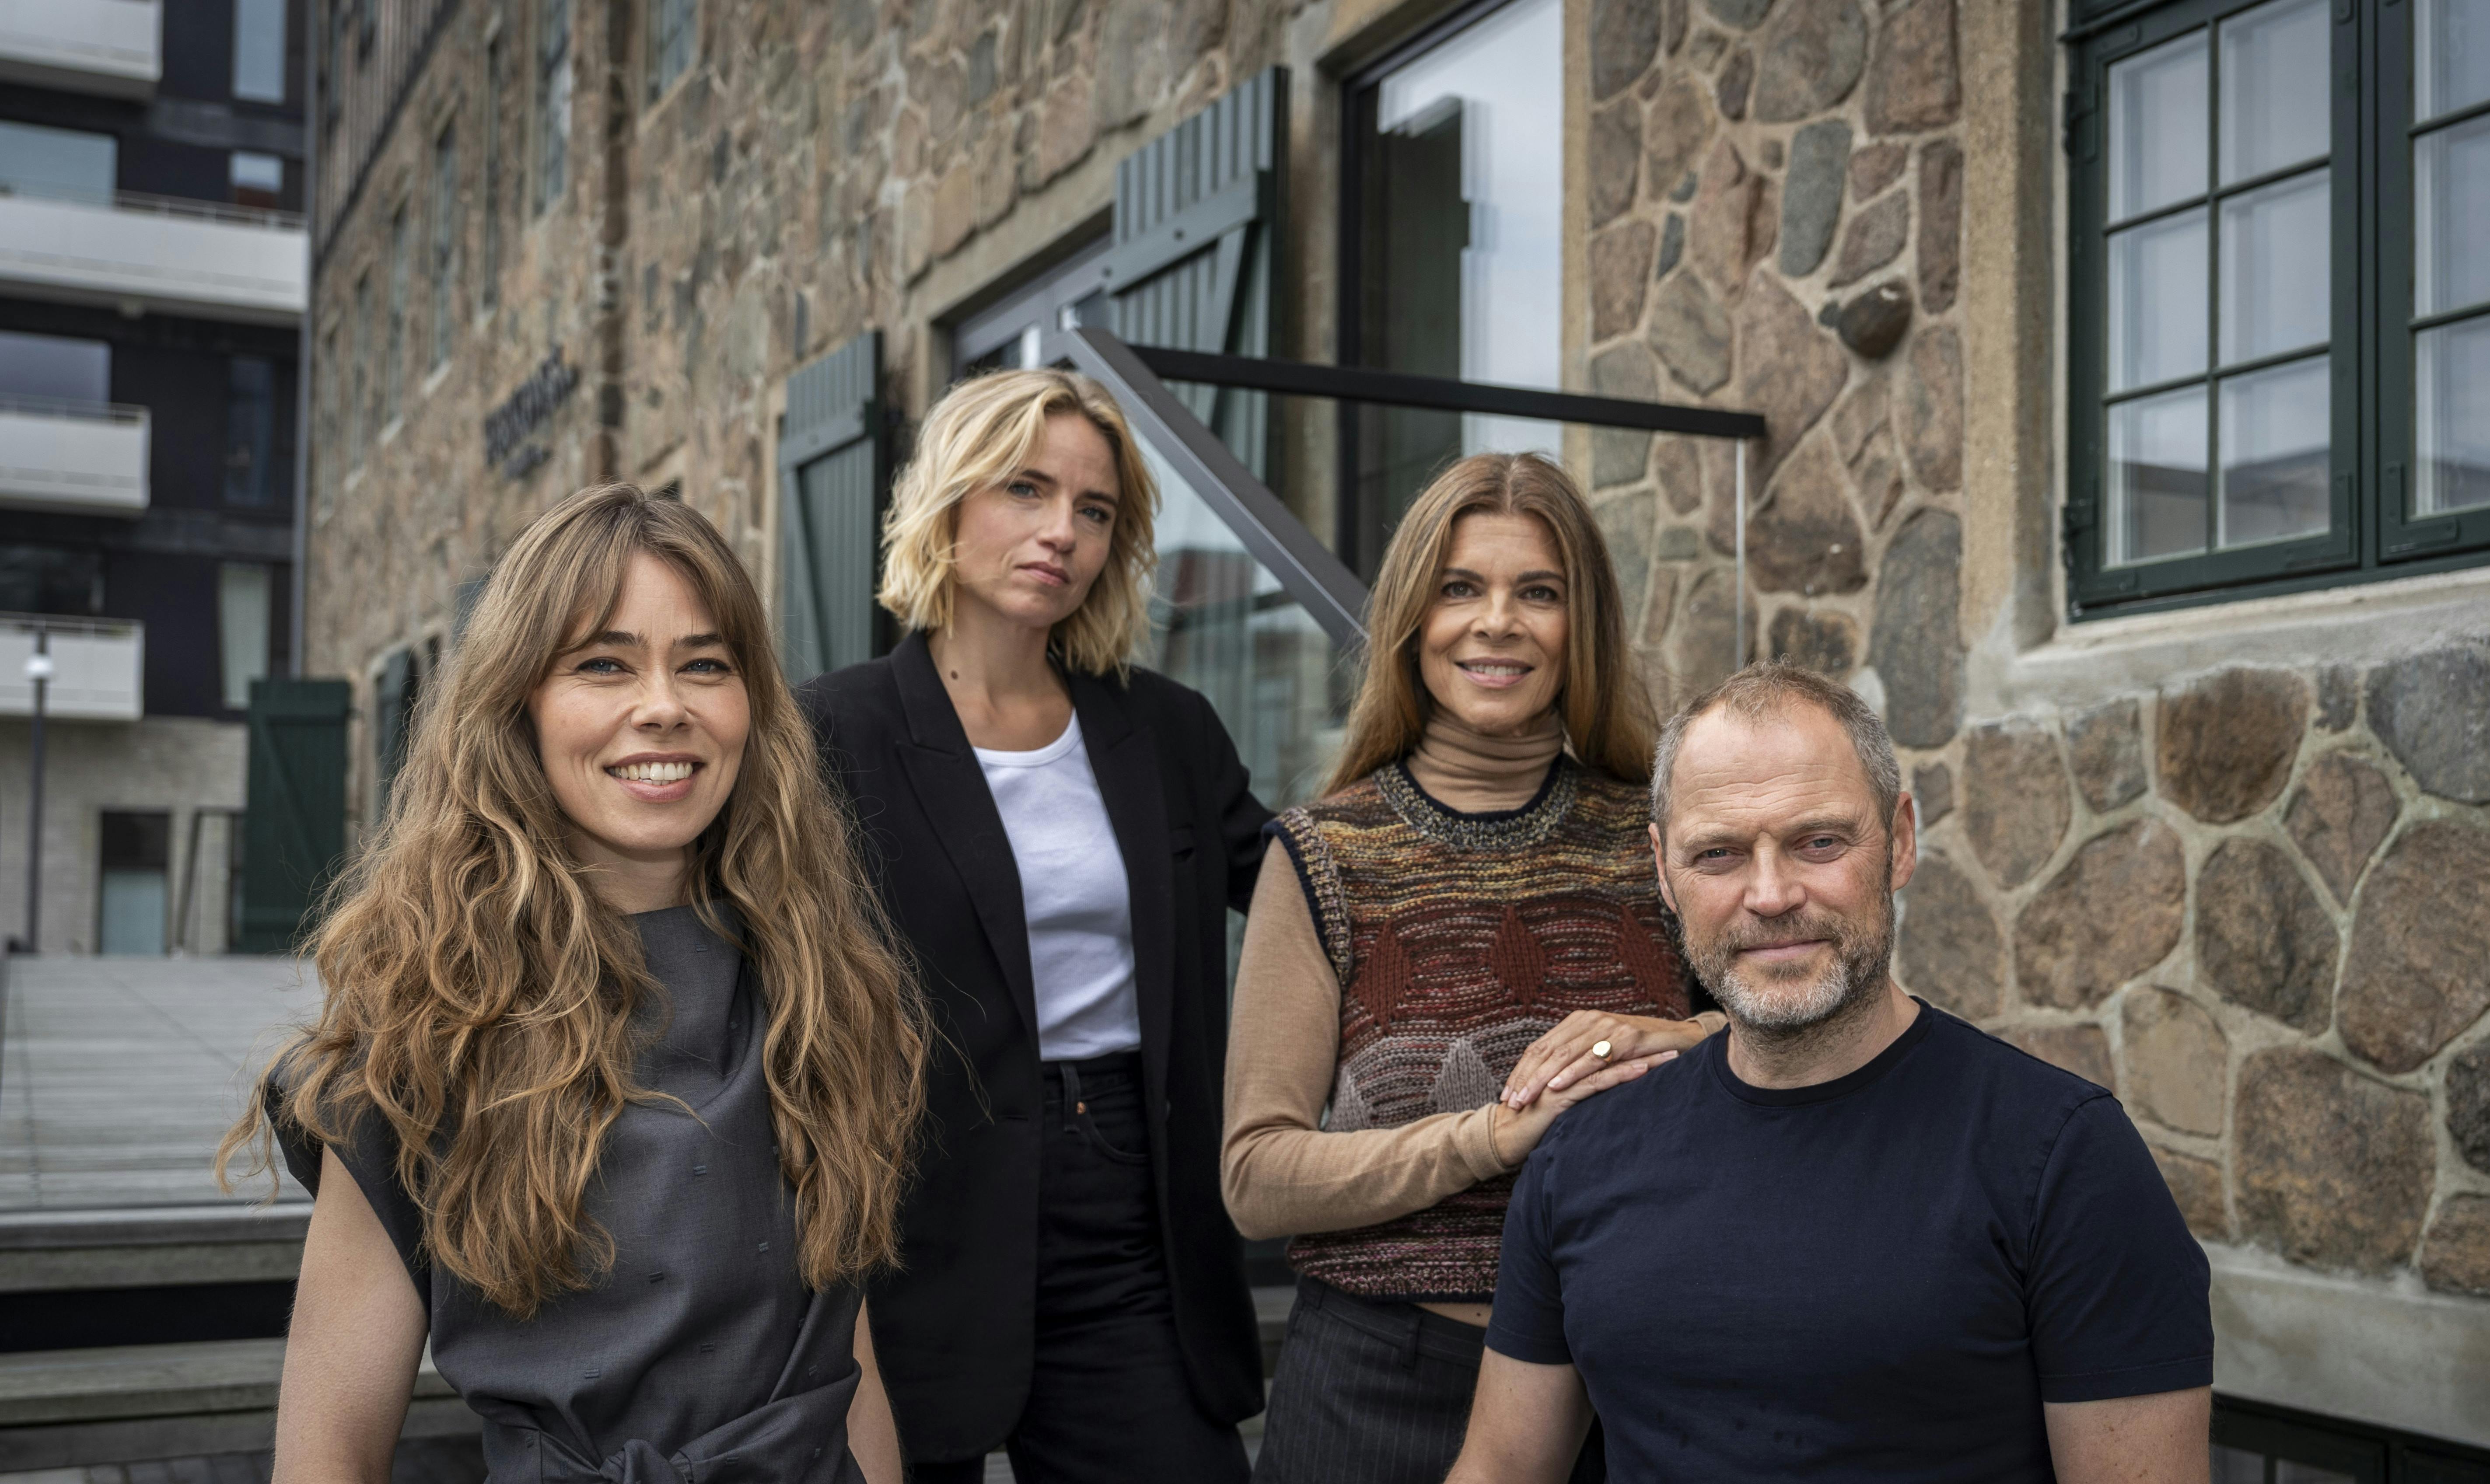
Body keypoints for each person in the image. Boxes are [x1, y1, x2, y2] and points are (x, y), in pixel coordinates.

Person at [224, 484, 927, 1484]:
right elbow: (329, 1448)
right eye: (604, 663)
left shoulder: (829, 996)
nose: (663, 705)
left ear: (752, 705)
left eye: (704, 664)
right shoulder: (422, 1039)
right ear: (521, 703)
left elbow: (844, 1367)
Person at [1447, 663, 2216, 1484]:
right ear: (1664, 873)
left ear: (1901, 841)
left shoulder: (2063, 1157)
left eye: (1818, 841)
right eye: (1719, 853)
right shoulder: (1581, 1157)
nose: (1771, 894)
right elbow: (1499, 1469)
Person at [800, 368, 1269, 1484]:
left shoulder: (1164, 729)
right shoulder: (830, 733)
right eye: (1024, 489)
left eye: (1094, 509)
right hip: (905, 1198)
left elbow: (1302, 887)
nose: (1061, 531)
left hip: (1129, 1194)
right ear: (949, 501)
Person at [1222, 452, 1723, 1484]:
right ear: (1413, 617)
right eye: (1460, 587)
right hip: (1380, 1388)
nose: (1496, 621)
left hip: (1635, 1380)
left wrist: (1674, 1038)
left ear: (1579, 625)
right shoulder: (1324, 852)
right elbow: (1256, 1178)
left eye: (1536, 592)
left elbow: (1794, 1043)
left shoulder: (1663, 836)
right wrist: (1488, 1136)